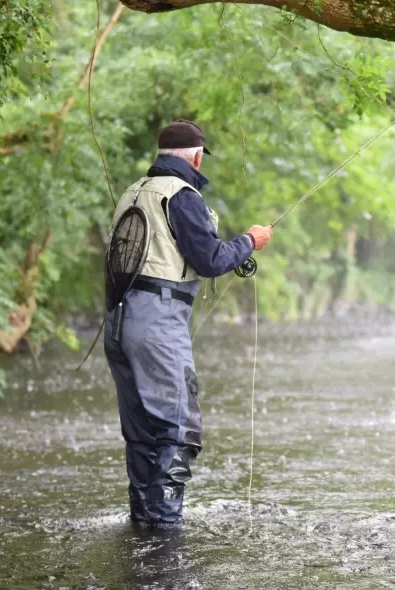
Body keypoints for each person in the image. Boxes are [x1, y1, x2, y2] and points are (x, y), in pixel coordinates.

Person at [104, 119, 272, 528]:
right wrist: (250, 241)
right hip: (156, 325)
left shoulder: (133, 193)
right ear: (196, 156)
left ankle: (142, 525)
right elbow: (210, 260)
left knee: (142, 433)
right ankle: (164, 530)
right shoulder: (182, 195)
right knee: (179, 429)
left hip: (116, 322)